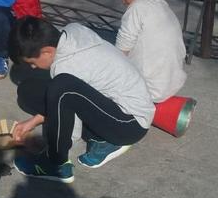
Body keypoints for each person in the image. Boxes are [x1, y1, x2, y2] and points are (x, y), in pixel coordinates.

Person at [9, 17, 154, 183]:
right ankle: (98, 137)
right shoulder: (72, 31)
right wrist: (35, 120)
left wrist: (59, 134)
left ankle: (55, 163)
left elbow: (71, 117)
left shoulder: (67, 67)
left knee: (61, 86)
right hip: (114, 106)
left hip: (129, 124)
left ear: (47, 52)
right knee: (29, 91)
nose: (33, 67)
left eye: (33, 63)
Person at [112, 0, 187, 103]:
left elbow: (121, 51)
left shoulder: (137, 8)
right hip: (172, 84)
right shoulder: (164, 6)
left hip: (147, 88)